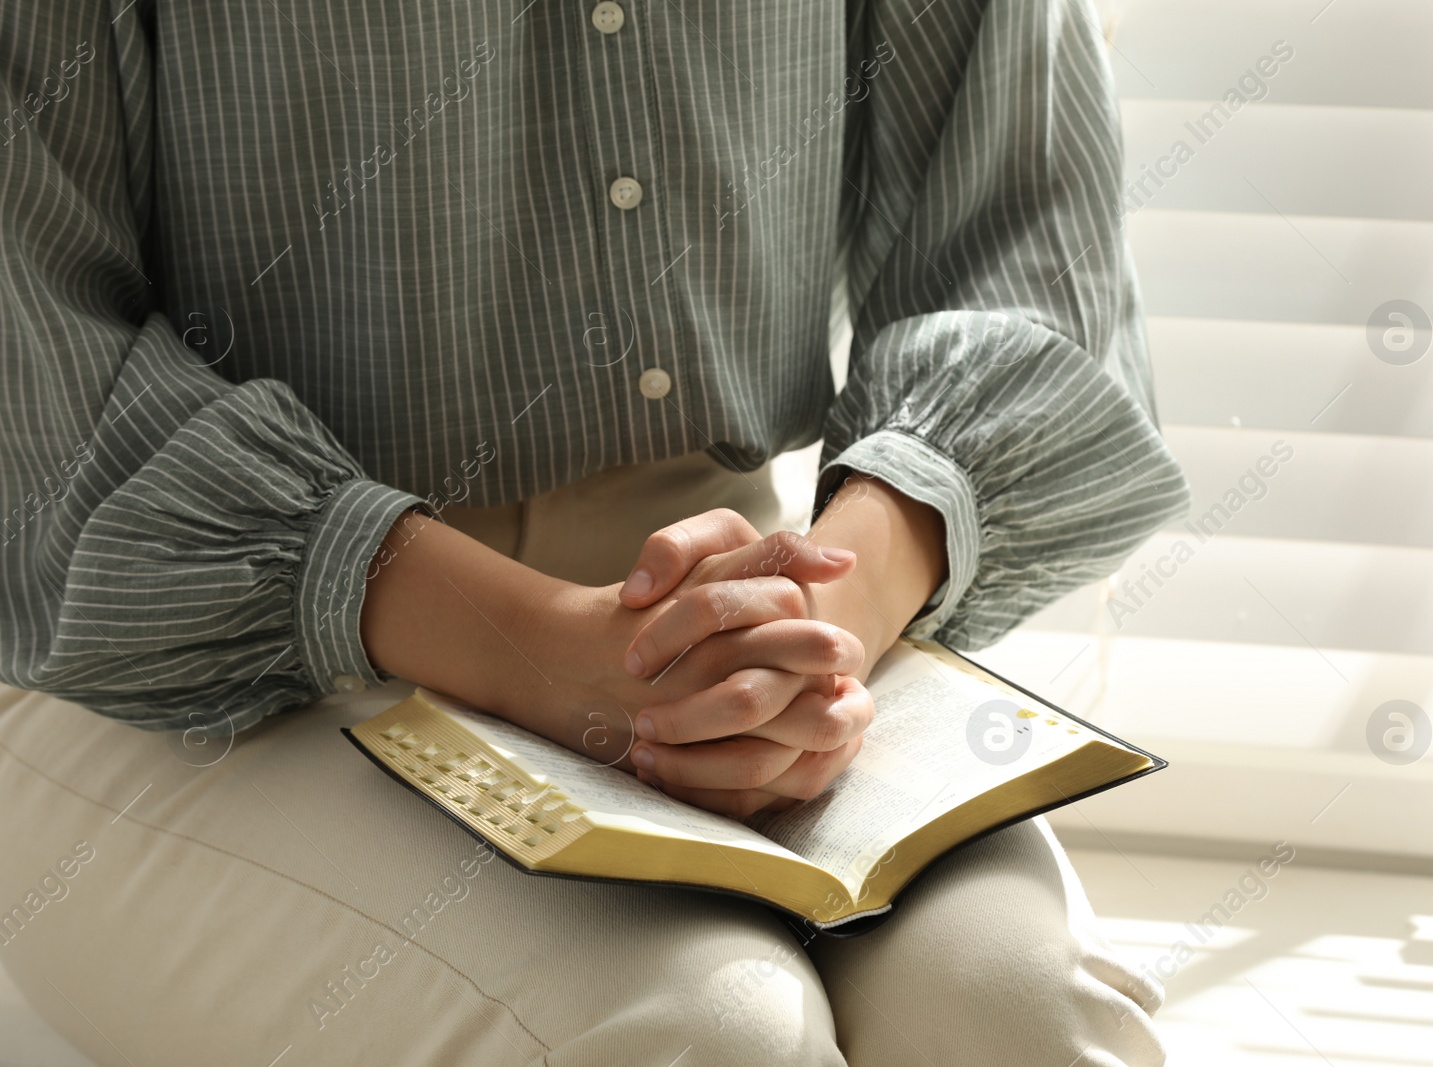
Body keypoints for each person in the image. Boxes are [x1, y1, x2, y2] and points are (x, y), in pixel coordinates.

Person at [0, 0, 1189, 1064]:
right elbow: (37, 394)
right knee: (705, 1038)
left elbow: (1026, 245)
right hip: (172, 656)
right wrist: (558, 654)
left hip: (733, 600)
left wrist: (816, 618)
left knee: (1025, 1015)